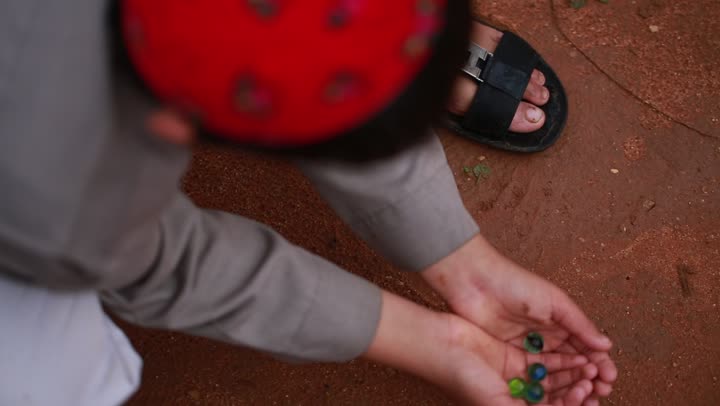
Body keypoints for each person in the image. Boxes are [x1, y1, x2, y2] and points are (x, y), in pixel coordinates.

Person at [0, 1, 616, 405]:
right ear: (177, 126)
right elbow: (167, 264)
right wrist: (434, 343)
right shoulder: (55, 191)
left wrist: (465, 264)